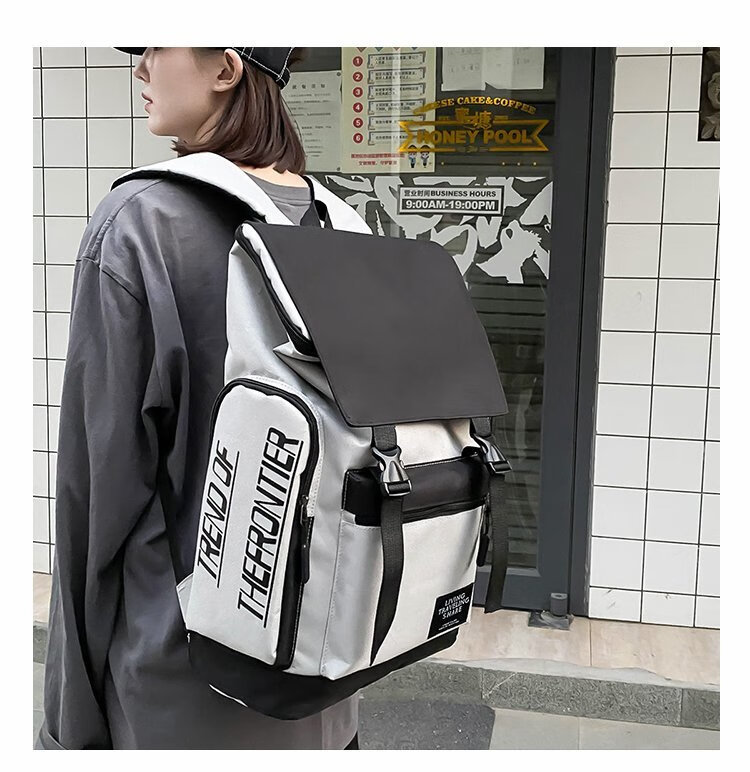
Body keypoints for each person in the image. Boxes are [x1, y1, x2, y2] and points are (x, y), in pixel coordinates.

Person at [35, 46, 364, 751]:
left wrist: (67, 727)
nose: (141, 69)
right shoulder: (344, 224)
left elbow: (95, 501)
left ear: (225, 69)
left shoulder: (144, 222)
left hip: (177, 695)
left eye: (157, 44)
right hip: (324, 682)